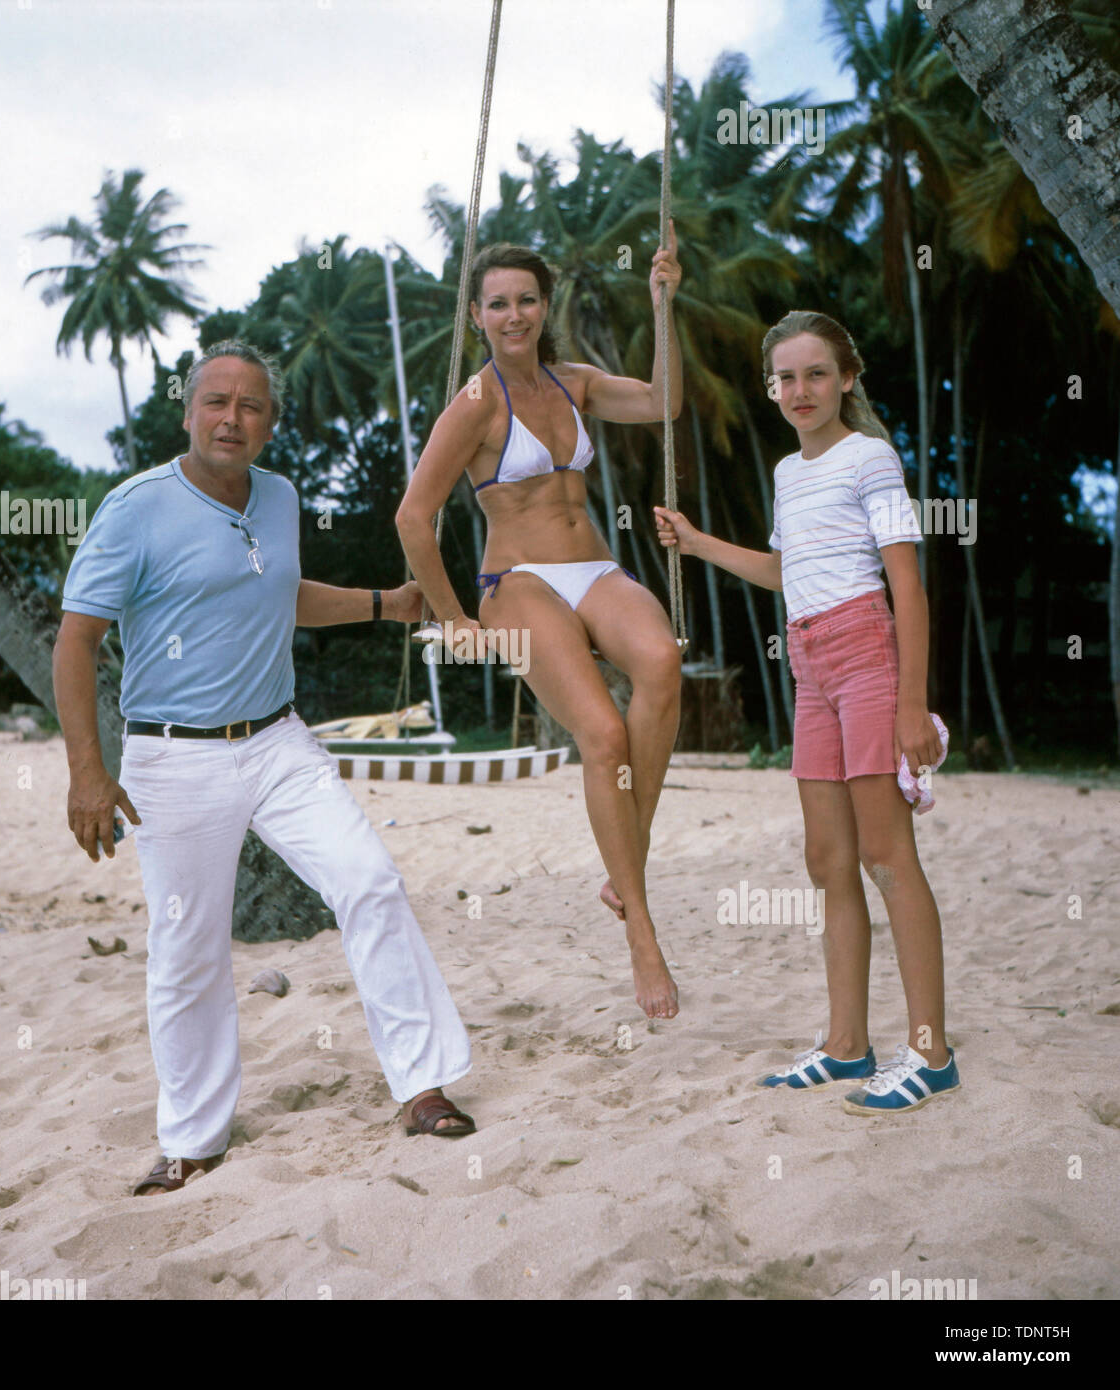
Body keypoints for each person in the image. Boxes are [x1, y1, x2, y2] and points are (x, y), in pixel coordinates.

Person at [53, 340, 476, 1196]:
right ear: (187, 411)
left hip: (279, 741)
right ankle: (193, 1140)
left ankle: (421, 1085)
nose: (231, 419)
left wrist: (383, 605)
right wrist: (87, 775)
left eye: (250, 406)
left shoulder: (279, 497)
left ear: (269, 422)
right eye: (216, 401)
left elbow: (275, 592)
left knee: (370, 881)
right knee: (187, 946)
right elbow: (75, 638)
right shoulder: (136, 507)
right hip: (172, 757)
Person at [654, 310, 960, 1114]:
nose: (800, 390)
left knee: (886, 856)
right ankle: (846, 1047)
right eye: (784, 378)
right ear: (769, 389)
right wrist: (694, 543)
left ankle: (930, 1053)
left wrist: (911, 704)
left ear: (846, 378)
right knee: (826, 861)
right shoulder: (790, 474)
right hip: (808, 661)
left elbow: (907, 586)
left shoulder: (870, 459)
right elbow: (785, 570)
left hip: (866, 654)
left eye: (816, 373)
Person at [396, 228, 684, 1020]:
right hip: (514, 581)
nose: (513, 313)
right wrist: (454, 620)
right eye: (497, 304)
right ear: (476, 319)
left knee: (661, 664)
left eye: (526, 298)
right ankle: (642, 936)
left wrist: (663, 305)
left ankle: (631, 851)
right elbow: (413, 518)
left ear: (544, 305)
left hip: (592, 568)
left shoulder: (575, 383)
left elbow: (664, 402)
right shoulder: (475, 405)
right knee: (603, 736)